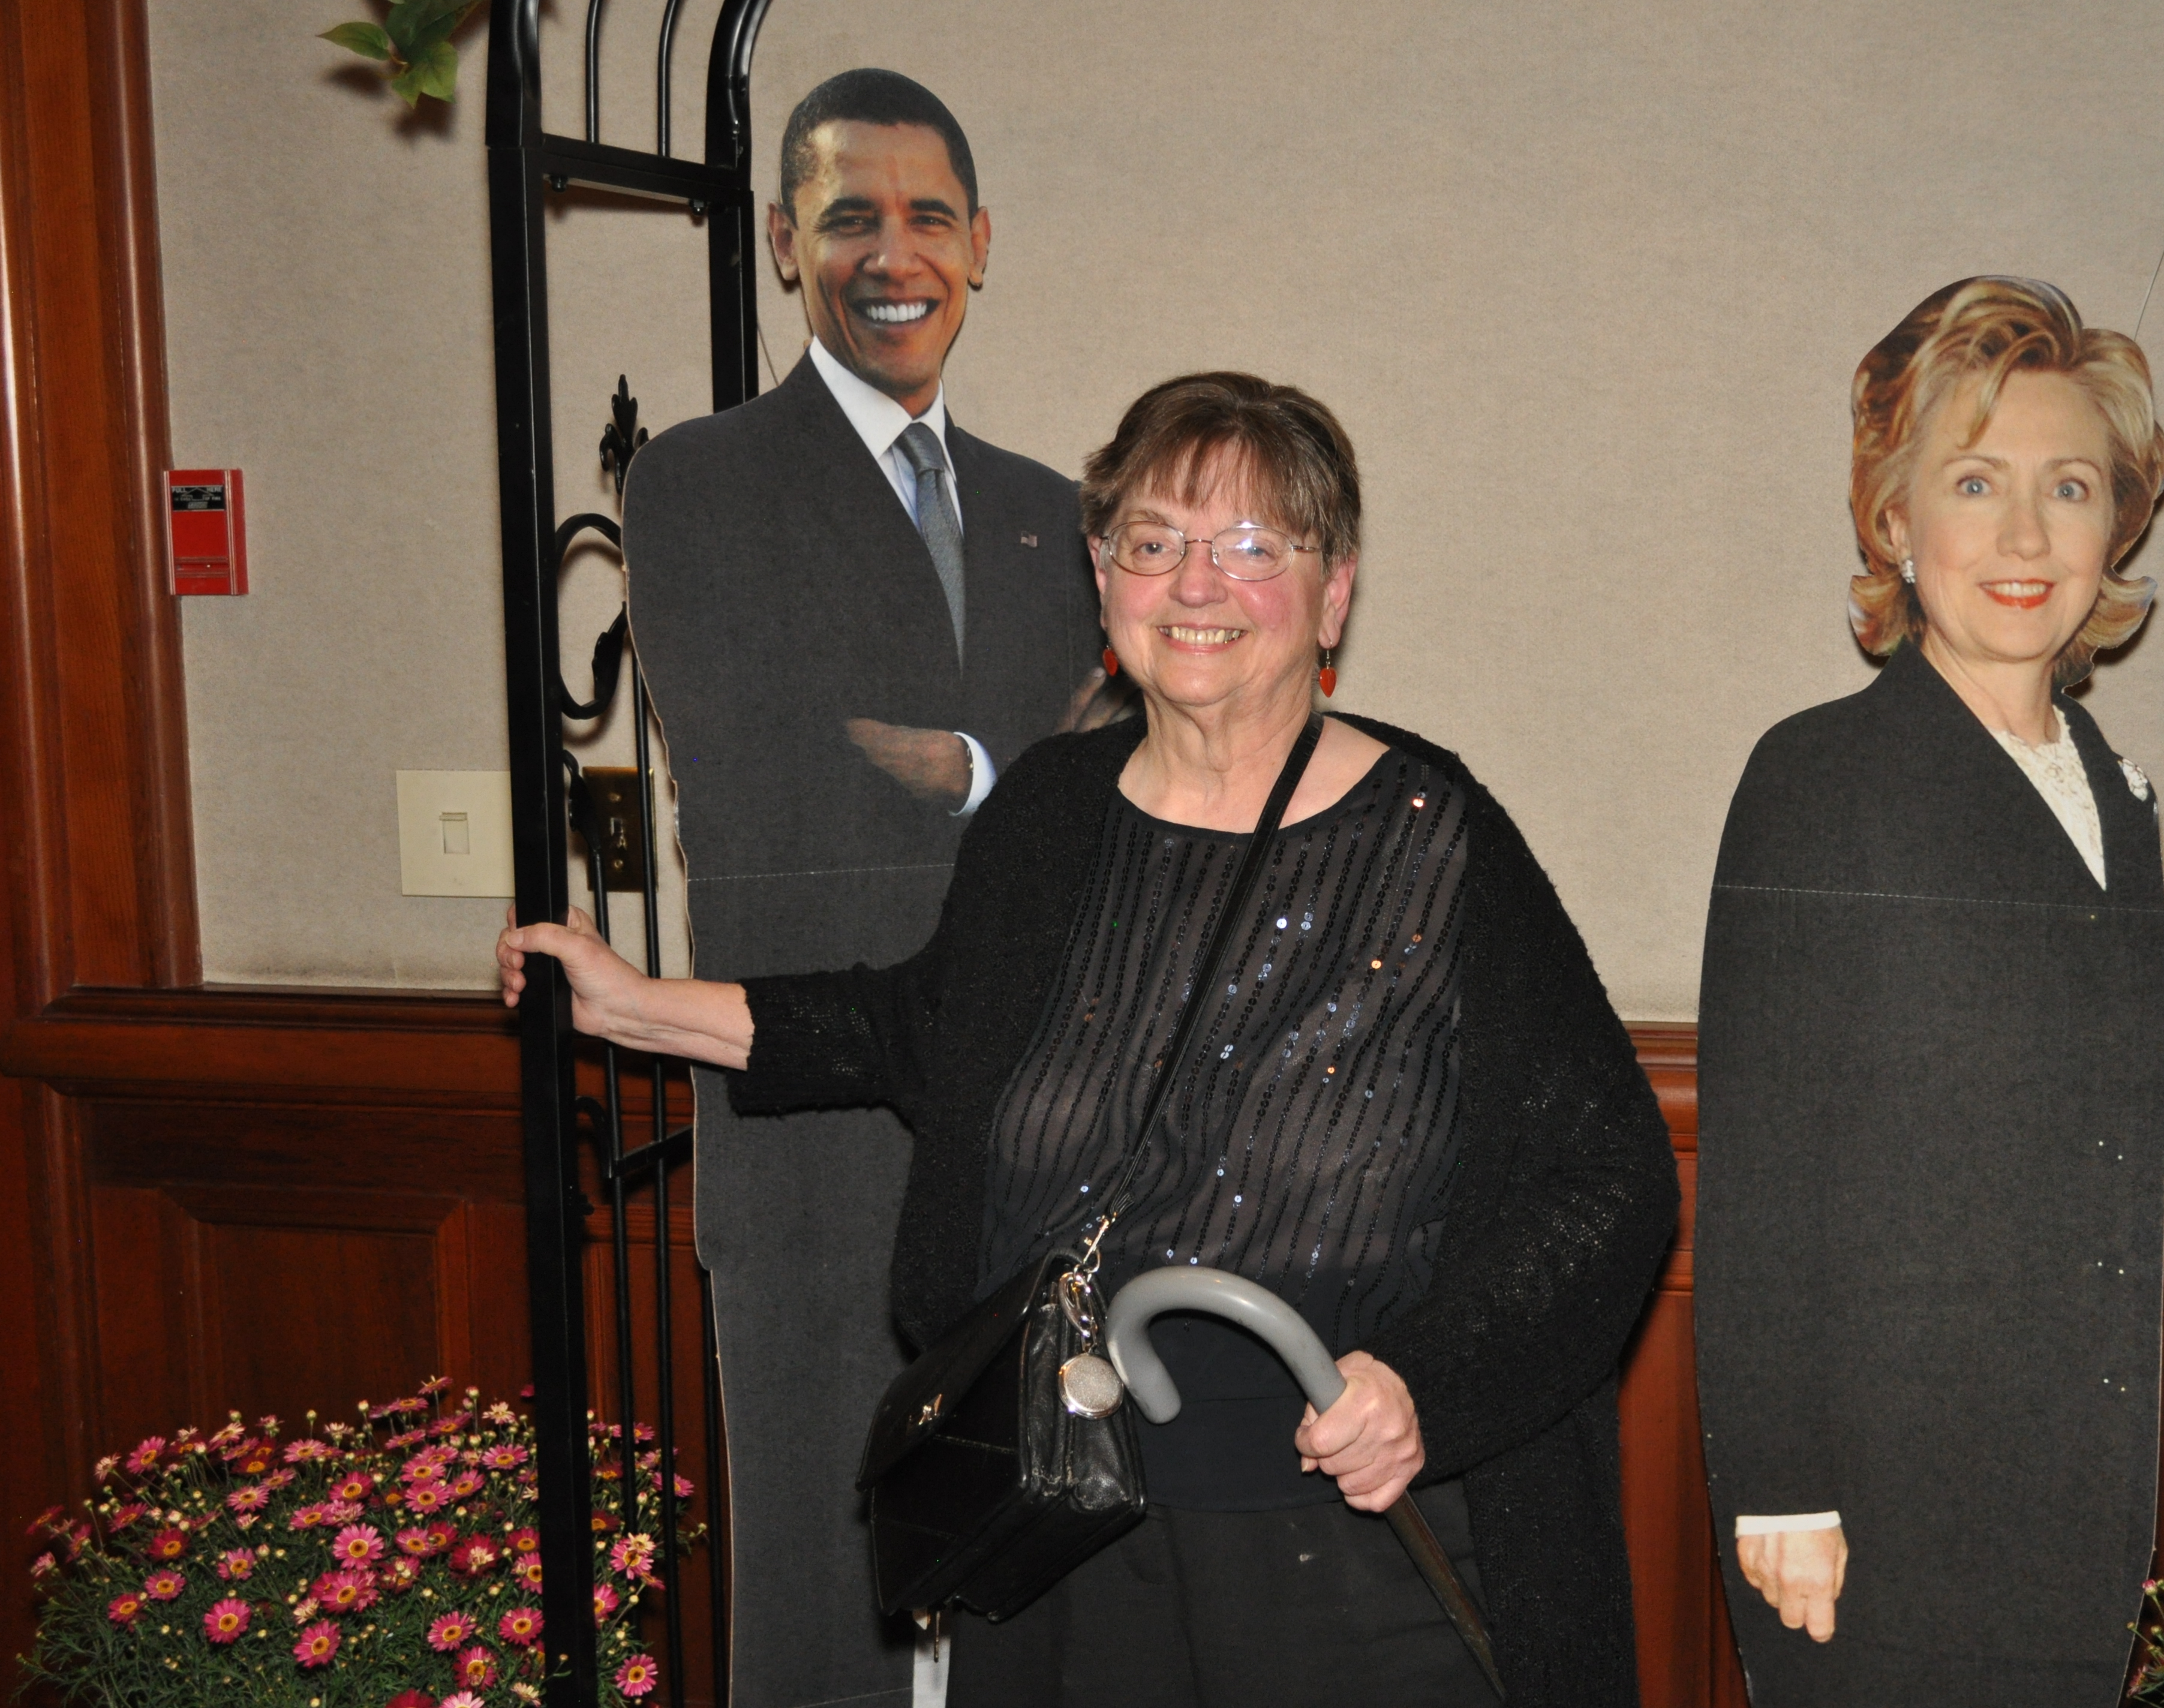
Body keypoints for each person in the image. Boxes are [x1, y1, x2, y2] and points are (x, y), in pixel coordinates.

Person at [508, 372, 1677, 1707]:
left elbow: (1610, 1176)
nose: (1197, 583)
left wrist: (1428, 1387)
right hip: (1064, 1524)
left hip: (1348, 1547)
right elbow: (919, 1028)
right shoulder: (1049, 814)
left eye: (1253, 544)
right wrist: (632, 1003)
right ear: (1103, 577)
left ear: (1333, 592)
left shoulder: (1434, 831)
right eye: (1153, 540)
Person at [616, 70, 1111, 1703]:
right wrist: (1004, 767)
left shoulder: (1054, 515)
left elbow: (1118, 779)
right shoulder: (698, 484)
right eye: (847, 219)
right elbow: (773, 760)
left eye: (926, 218)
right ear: (781, 242)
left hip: (1036, 1132)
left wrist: (974, 766)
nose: (892, 255)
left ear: (981, 244)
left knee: (1038, 1590)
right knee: (829, 1614)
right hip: (817, 1139)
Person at [1693, 277, 2164, 1705]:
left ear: (2113, 525)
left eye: (2066, 486)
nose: (2024, 536)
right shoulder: (1817, 777)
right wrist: (1780, 1482)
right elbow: (1762, 1162)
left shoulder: (2115, 796)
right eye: (1975, 482)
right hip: (1874, 1517)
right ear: (1895, 522)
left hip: (2073, 1506)